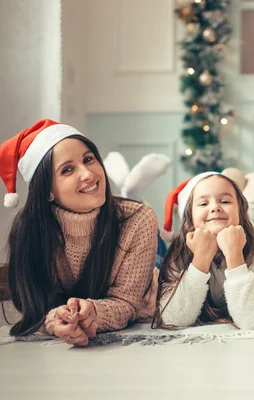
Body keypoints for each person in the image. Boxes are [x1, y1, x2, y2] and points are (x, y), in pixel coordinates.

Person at [0, 119, 158, 346]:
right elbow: (30, 306)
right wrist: (57, 321)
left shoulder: (138, 219)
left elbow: (127, 302)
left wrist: (93, 313)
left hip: (148, 288)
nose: (87, 174)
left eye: (88, 159)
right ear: (47, 191)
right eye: (67, 169)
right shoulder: (29, 230)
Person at [153, 172, 254, 330]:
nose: (215, 207)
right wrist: (200, 259)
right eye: (203, 204)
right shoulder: (179, 249)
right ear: (189, 215)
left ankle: (250, 191)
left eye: (225, 201)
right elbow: (174, 319)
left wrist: (235, 256)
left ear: (240, 210)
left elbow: (251, 321)